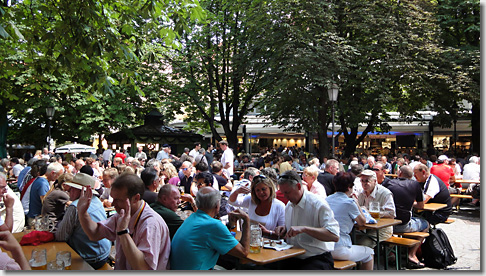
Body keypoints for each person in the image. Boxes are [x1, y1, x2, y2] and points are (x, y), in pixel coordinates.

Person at [77, 173, 171, 270]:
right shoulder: (123, 214)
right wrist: (82, 213)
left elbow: (144, 268)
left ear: (136, 198)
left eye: (118, 200)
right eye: (113, 199)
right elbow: (94, 234)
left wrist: (123, 232)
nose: (113, 204)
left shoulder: (151, 223)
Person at [170, 186, 251, 270]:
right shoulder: (213, 225)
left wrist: (230, 225)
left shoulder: (192, 217)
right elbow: (244, 252)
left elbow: (214, 238)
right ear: (217, 205)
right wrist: (247, 220)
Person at [274, 170, 339, 270]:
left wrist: (304, 229)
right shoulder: (289, 205)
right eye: (283, 193)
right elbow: (294, 229)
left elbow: (334, 235)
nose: (285, 197)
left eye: (287, 192)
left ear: (299, 187)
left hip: (316, 257)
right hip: (292, 256)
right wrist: (284, 230)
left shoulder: (317, 204)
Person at [55, 173, 111, 269]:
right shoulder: (97, 200)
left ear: (79, 190)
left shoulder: (75, 206)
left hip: (90, 257)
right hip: (105, 252)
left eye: (71, 188)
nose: (69, 191)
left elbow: (61, 237)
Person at [382, 165, 429, 269]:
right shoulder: (415, 185)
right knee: (426, 224)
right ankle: (411, 255)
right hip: (403, 224)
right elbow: (421, 206)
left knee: (393, 229)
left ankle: (391, 253)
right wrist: (409, 203)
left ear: (399, 173)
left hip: (386, 224)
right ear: (412, 175)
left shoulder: (388, 182)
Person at [326, 172, 374, 270]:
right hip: (340, 248)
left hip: (325, 246)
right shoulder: (349, 202)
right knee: (369, 253)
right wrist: (357, 204)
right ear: (349, 187)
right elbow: (362, 222)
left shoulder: (327, 199)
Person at [355, 169, 396, 248]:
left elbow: (392, 214)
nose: (364, 184)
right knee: (350, 241)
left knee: (363, 246)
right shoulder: (361, 193)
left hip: (382, 229)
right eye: (362, 181)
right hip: (365, 228)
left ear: (374, 181)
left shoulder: (385, 193)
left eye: (367, 181)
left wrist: (371, 213)